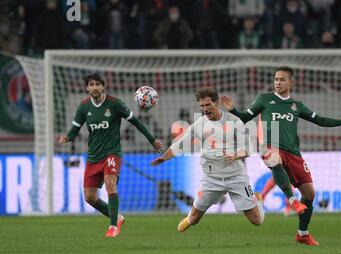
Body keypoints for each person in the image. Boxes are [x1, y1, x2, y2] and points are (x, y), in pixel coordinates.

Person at [221, 66, 341, 246]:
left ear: (291, 82)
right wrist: (232, 110)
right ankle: (292, 200)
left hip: (293, 152)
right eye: (276, 79)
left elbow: (320, 120)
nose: (277, 82)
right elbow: (244, 118)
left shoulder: (297, 105)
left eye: (282, 79)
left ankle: (303, 234)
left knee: (310, 194)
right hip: (270, 147)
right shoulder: (265, 99)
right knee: (274, 158)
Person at [58, 73, 163, 237]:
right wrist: (67, 137)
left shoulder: (115, 104)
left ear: (103, 86)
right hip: (93, 156)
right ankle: (118, 217)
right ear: (87, 88)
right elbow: (75, 128)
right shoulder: (84, 106)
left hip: (112, 153)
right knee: (89, 197)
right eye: (91, 85)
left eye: (97, 84)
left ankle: (113, 226)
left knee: (110, 183)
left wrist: (152, 140)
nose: (94, 87)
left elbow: (135, 121)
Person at [151, 87, 265, 232]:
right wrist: (164, 158)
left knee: (257, 221)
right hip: (211, 179)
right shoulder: (199, 125)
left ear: (216, 103)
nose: (205, 109)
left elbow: (248, 148)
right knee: (194, 219)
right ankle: (189, 218)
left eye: (208, 105)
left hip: (236, 176)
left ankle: (258, 201)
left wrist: (235, 155)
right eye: (202, 106)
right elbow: (178, 146)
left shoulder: (234, 121)